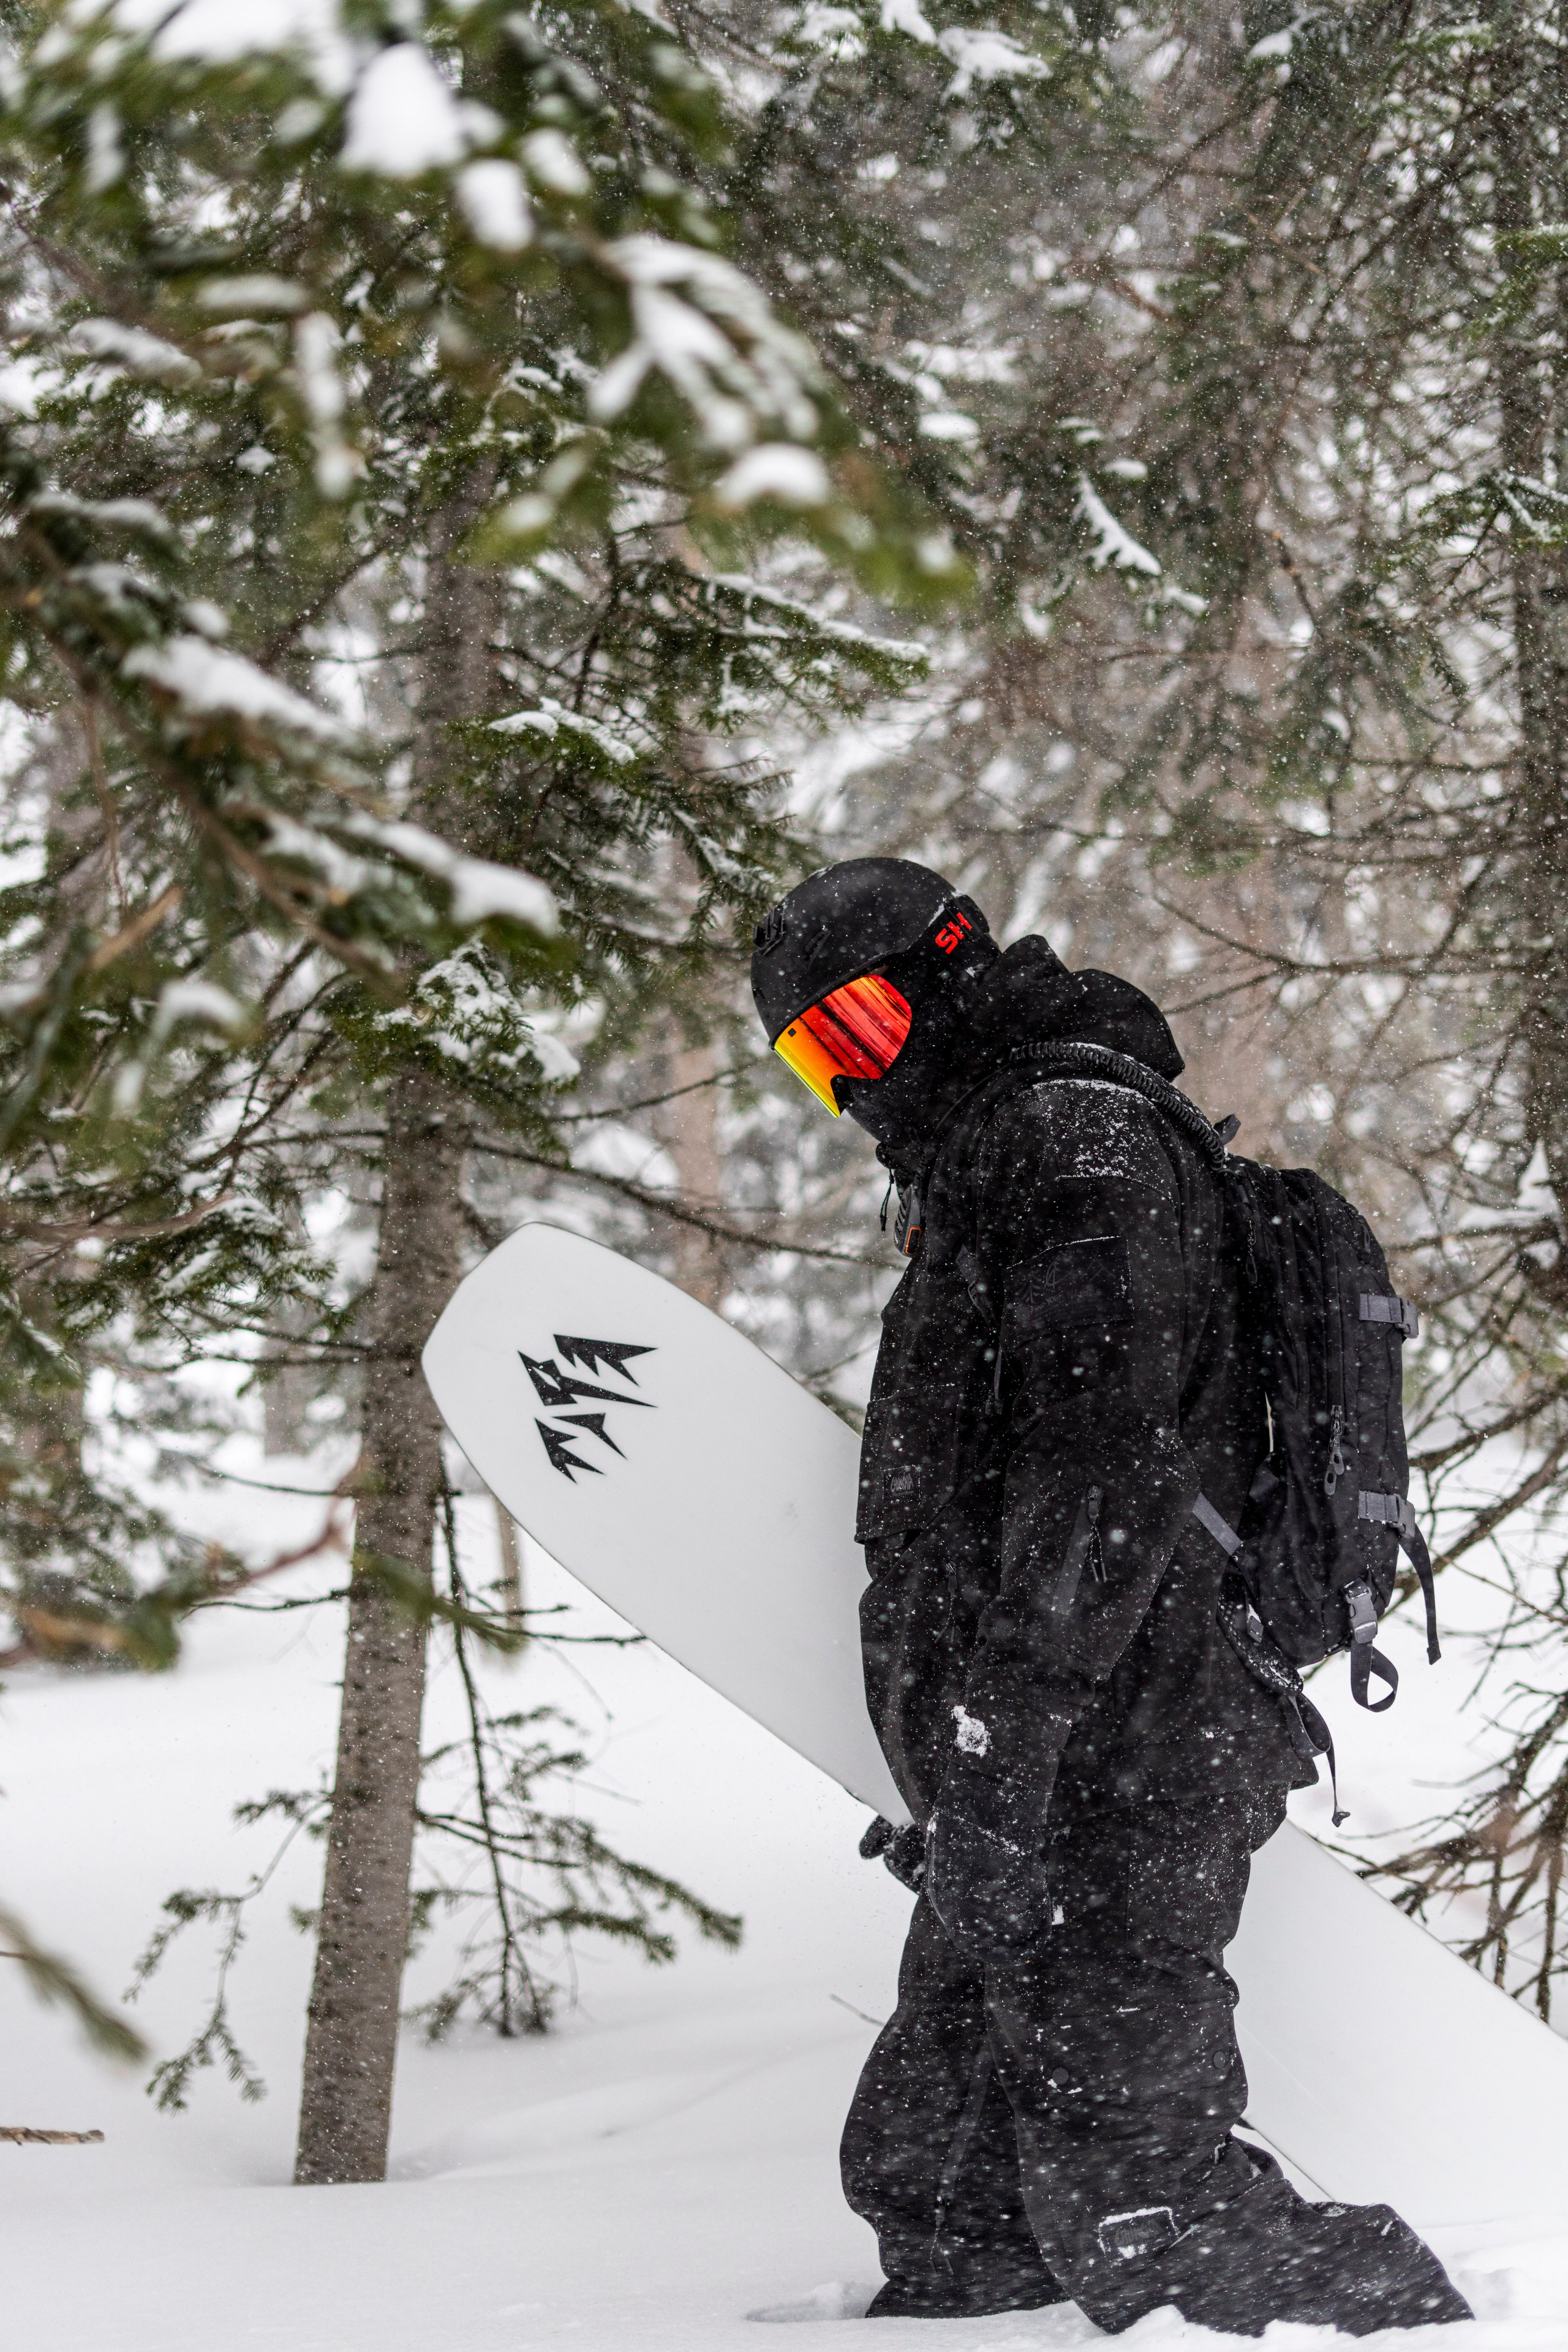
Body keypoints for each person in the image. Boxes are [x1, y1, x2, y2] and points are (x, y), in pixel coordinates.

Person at [750, 858, 1472, 2339]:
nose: (854, 1081)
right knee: (938, 2179)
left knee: (1141, 2196)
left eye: (865, 1029)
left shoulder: (1071, 1147)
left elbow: (1102, 1471)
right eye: (816, 1057)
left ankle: (1411, 2330)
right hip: (1042, 1738)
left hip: (1128, 1737)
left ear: (952, 969)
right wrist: (966, 1765)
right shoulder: (992, 1157)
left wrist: (1000, 1746)